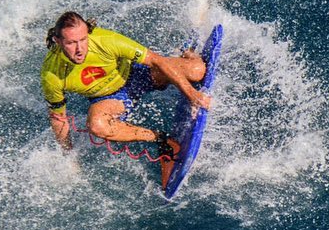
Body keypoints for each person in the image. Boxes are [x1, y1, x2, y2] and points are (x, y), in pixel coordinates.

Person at [40, 11, 211, 159]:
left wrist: (192, 95)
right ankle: (159, 137)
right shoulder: (52, 74)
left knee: (197, 71)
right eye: (71, 43)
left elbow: (156, 61)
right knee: (97, 125)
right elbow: (58, 118)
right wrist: (68, 154)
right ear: (58, 41)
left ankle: (188, 53)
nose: (79, 49)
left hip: (136, 74)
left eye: (83, 39)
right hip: (109, 98)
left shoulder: (106, 41)